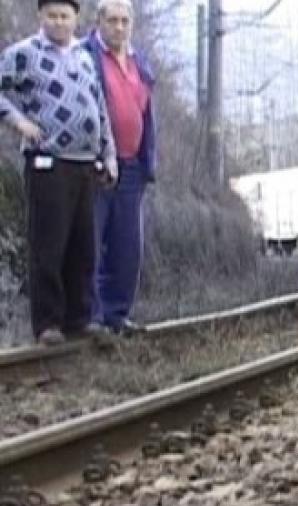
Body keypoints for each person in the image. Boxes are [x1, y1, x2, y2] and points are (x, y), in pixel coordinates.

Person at [0, 0, 118, 346]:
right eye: (51, 15)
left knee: (83, 246)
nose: (58, 22)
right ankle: (48, 323)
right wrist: (18, 122)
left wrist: (109, 155)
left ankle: (78, 319)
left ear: (76, 19)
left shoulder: (84, 57)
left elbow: (100, 109)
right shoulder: (24, 53)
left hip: (84, 162)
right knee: (48, 244)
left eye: (64, 16)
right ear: (41, 17)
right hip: (47, 160)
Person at [83, 0, 156, 335]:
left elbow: (145, 113)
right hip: (96, 163)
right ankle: (92, 316)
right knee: (92, 240)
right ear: (99, 21)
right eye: (112, 20)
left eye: (124, 21)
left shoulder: (139, 62)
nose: (119, 27)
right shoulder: (85, 55)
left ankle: (117, 314)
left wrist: (146, 162)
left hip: (132, 165)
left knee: (128, 246)